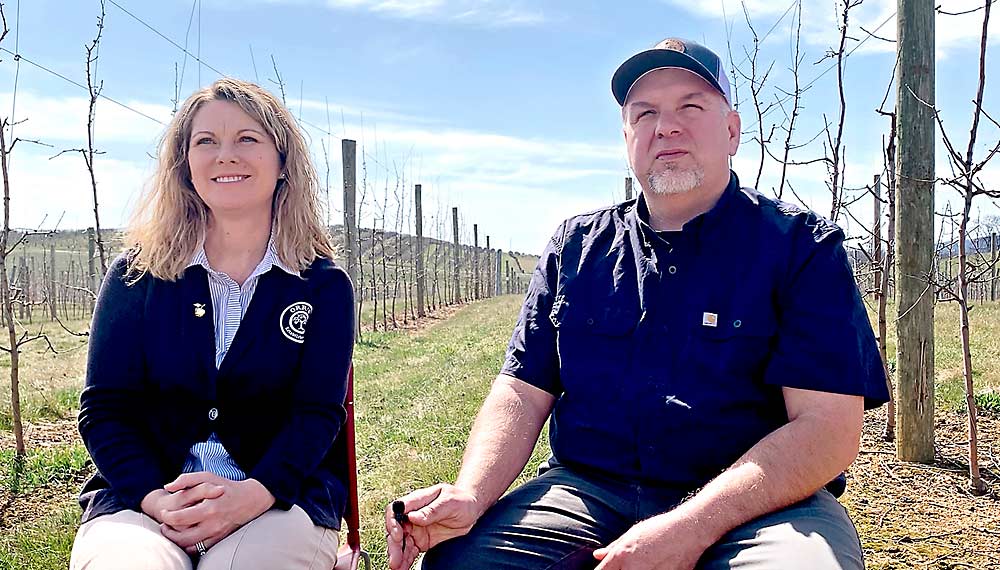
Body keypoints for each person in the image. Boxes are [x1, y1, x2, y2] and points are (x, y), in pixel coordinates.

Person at [385, 38, 889, 570]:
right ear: (627, 137)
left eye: (690, 107)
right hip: (587, 490)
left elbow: (827, 428)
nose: (665, 126)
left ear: (733, 130)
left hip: (760, 506)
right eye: (644, 113)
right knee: (462, 562)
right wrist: (471, 492)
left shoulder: (802, 249)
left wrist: (689, 527)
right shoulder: (576, 247)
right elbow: (521, 390)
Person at [70, 78, 354, 570]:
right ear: (185, 165)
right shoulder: (137, 276)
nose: (226, 155)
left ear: (283, 161)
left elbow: (317, 415)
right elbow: (105, 409)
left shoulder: (323, 286)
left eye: (247, 139)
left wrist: (253, 494)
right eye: (206, 141)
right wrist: (156, 499)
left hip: (280, 499)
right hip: (146, 499)